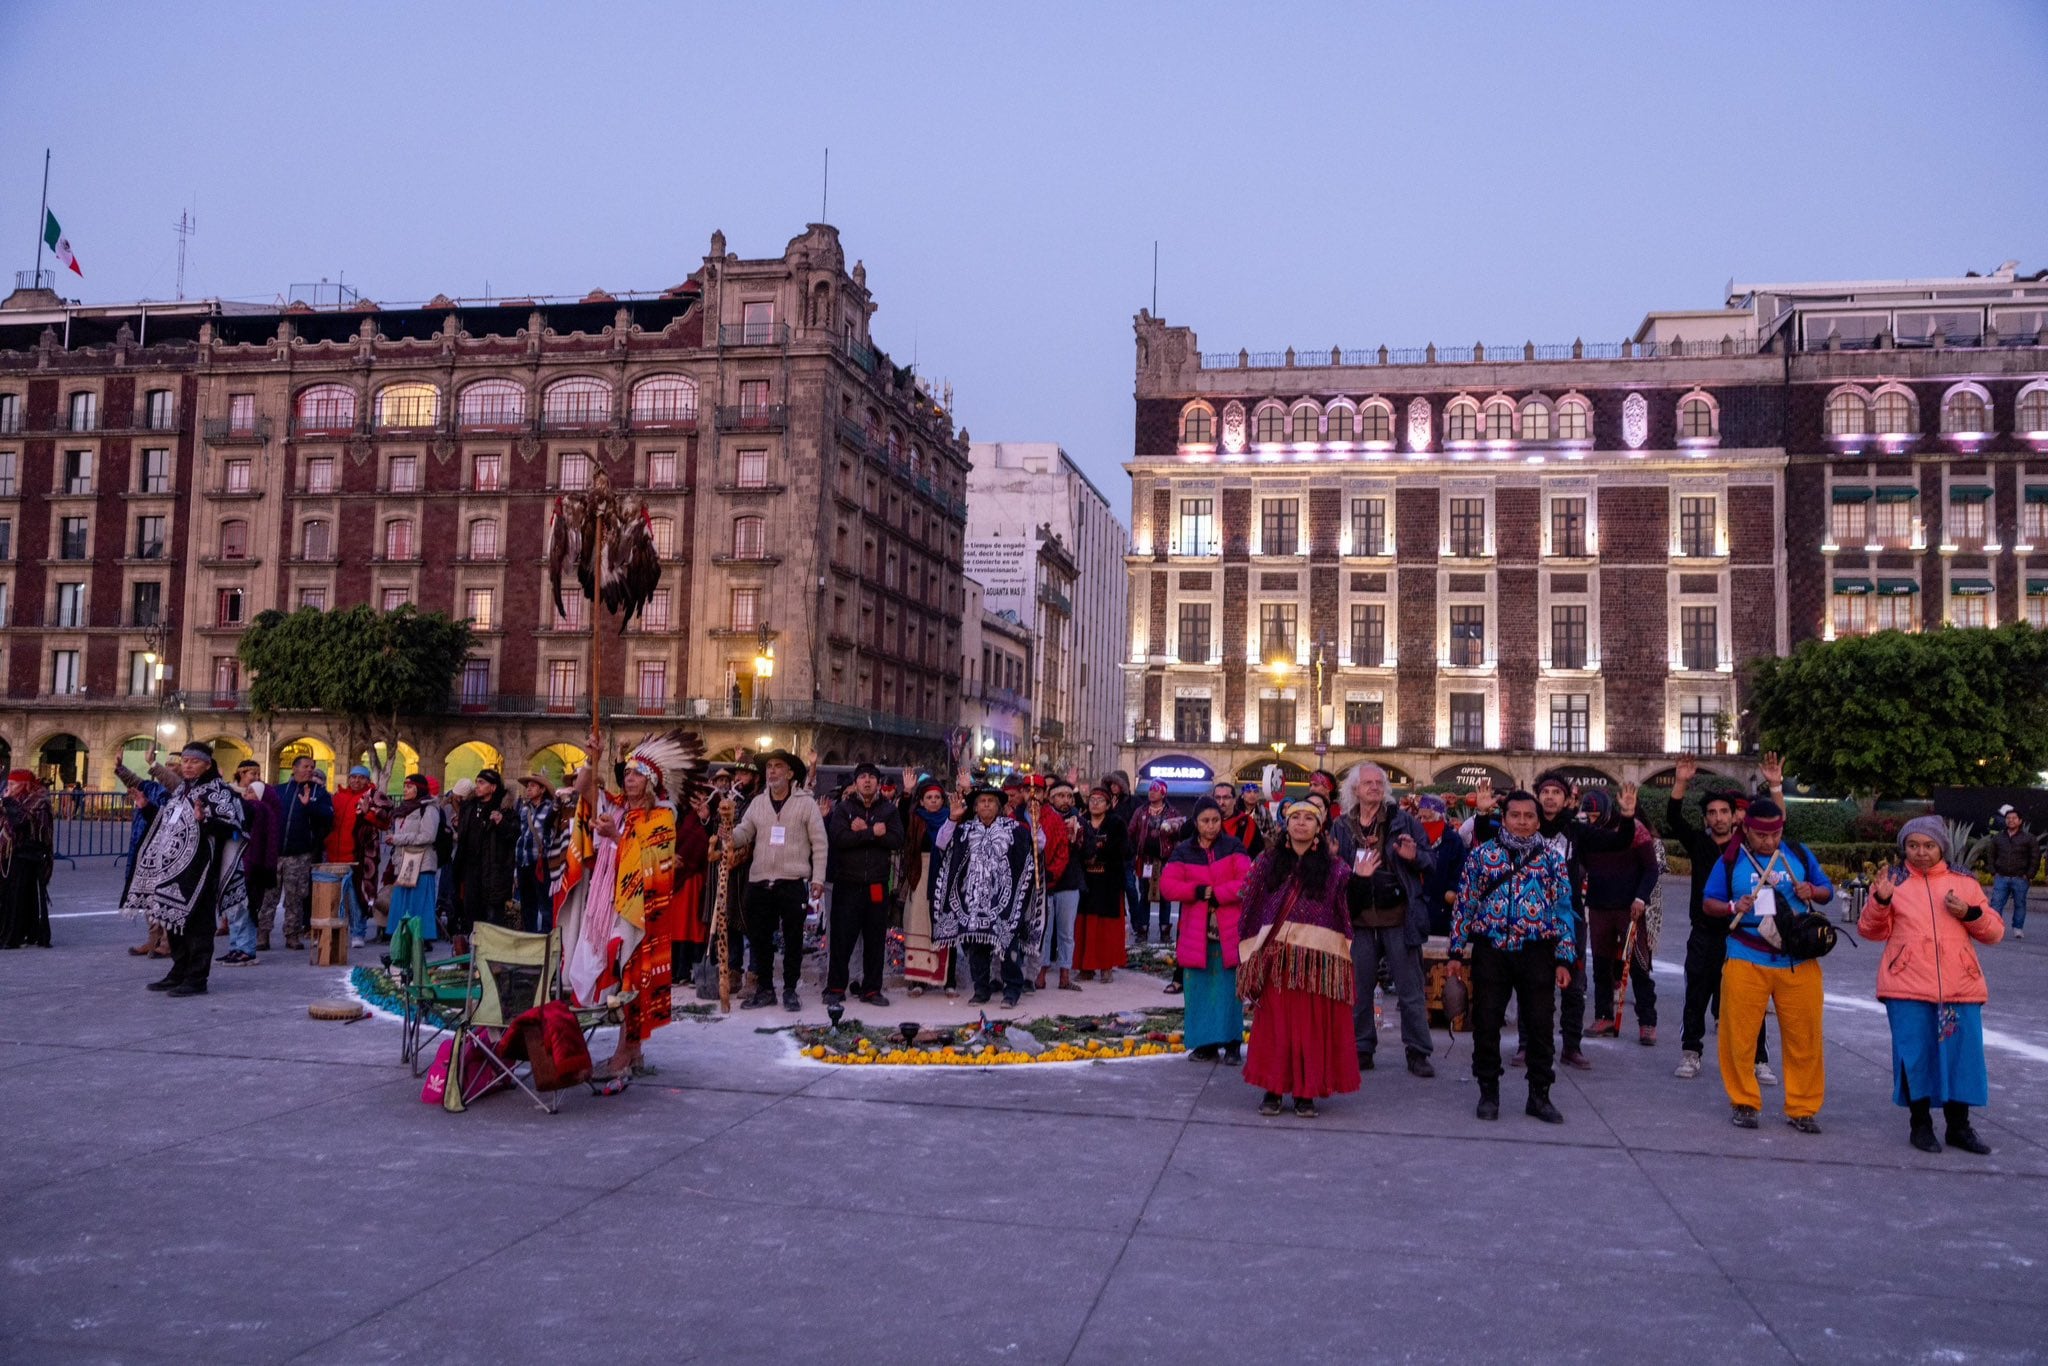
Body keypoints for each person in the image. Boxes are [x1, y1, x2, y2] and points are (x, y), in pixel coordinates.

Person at [555, 730, 702, 1081]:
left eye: (637, 774)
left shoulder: (662, 816)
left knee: (631, 976)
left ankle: (626, 1049)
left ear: (650, 782)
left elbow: (658, 862)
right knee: (615, 974)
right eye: (628, 773)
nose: (629, 778)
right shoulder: (615, 805)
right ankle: (632, 1050)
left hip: (640, 909)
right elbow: (584, 789)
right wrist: (592, 756)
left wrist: (615, 838)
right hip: (606, 904)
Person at [1862, 815, 2004, 1154]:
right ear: (1904, 848)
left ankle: (1959, 1127)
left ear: (1942, 846)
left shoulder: (1964, 882)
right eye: (1913, 846)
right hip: (1906, 986)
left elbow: (1995, 932)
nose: (1921, 852)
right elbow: (1871, 931)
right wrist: (1880, 901)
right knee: (1915, 1056)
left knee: (1961, 1057)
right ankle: (1920, 1125)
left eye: (1928, 846)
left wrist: (1970, 913)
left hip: (1959, 987)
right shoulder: (1892, 882)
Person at [1702, 797, 1834, 1134]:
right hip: (1747, 956)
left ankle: (1802, 1107)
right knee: (1739, 1037)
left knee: (1805, 1037)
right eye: (1761, 835)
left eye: (1775, 834)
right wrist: (1734, 905)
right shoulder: (1732, 859)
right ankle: (1744, 1102)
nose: (1769, 842)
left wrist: (1811, 890)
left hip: (1798, 959)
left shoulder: (1799, 853)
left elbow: (1827, 891)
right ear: (1746, 829)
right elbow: (1708, 903)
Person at [1449, 790, 1575, 1124]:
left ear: (1538, 820)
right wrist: (1455, 951)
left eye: (1529, 816)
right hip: (1492, 950)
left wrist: (1564, 958)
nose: (1522, 822)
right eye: (1515, 816)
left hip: (1537, 951)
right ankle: (1488, 1091)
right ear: (1503, 818)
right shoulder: (1482, 856)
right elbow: (1465, 903)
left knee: (1540, 1025)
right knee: (1487, 1022)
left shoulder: (1552, 858)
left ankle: (1539, 1095)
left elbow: (1564, 909)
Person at [1236, 798, 1358, 1117]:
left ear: (1319, 829)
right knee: (1276, 1024)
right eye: (1295, 817)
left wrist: (1363, 878)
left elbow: (1346, 906)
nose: (1301, 822)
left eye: (1309, 818)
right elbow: (1248, 898)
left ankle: (1306, 1093)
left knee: (1310, 1026)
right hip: (1277, 957)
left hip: (1316, 960)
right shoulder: (1267, 862)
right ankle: (1273, 1089)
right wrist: (1253, 945)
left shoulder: (1336, 869)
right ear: (1285, 825)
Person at [1660, 757, 1772, 1085]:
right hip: (1705, 932)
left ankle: (1758, 1059)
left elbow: (1778, 827)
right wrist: (1680, 782)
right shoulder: (1699, 843)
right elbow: (1672, 818)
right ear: (1706, 818)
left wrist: (1775, 787)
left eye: (1724, 812)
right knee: (1697, 992)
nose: (1718, 817)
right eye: (1712, 813)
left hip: (1743, 935)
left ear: (1734, 816)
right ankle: (1691, 1052)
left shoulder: (1747, 847)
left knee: (1749, 998)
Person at [1330, 763, 1437, 1078]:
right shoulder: (1340, 825)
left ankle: (1418, 1052)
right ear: (1355, 790)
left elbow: (1430, 862)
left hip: (1398, 917)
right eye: (1368, 783)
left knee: (1410, 989)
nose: (1374, 787)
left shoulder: (1403, 821)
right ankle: (1361, 1047)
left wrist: (1413, 857)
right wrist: (1339, 863)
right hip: (1359, 918)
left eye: (1379, 783)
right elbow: (1331, 872)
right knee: (1359, 989)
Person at [121, 743, 246, 995]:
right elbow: (167, 823)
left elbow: (232, 827)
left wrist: (205, 821)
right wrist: (146, 807)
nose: (188, 765)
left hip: (200, 870)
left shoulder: (219, 791)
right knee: (172, 919)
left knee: (198, 925)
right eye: (185, 760)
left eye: (194, 761)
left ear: (208, 765)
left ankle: (197, 978)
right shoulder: (182, 791)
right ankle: (178, 971)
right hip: (172, 870)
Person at [728, 750, 827, 1012]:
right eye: (769, 766)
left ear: (790, 773)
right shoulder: (758, 803)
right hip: (759, 880)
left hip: (792, 880)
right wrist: (727, 832)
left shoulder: (806, 803)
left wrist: (817, 878)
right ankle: (765, 989)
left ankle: (791, 989)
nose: (771, 771)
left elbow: (820, 843)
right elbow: (744, 832)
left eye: (778, 766)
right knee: (760, 939)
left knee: (793, 939)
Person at [1159, 799, 1251, 1063]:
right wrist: (1198, 891)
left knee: (1229, 990)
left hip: (1228, 930)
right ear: (1196, 823)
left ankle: (1232, 1043)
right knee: (1198, 989)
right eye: (1205, 821)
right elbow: (1168, 885)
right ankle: (1206, 1044)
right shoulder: (1183, 851)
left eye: (1215, 821)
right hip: (1196, 931)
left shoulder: (1233, 846)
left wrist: (1218, 894)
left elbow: (1247, 881)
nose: (1211, 826)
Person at [932, 784, 1037, 1007]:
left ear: (999, 807)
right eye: (982, 801)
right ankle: (981, 990)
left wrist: (1034, 823)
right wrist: (952, 818)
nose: (986, 804)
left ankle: (1012, 990)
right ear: (976, 807)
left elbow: (1036, 849)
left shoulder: (1014, 830)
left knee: (1008, 944)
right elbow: (941, 843)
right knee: (976, 946)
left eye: (991, 801)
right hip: (973, 898)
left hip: (1004, 899)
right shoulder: (965, 830)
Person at [1577, 786, 1661, 1045]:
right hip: (1600, 905)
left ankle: (1647, 1022)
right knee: (1601, 965)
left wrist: (1640, 898)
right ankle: (1604, 1016)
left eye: (1594, 817)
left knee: (1638, 966)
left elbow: (1651, 869)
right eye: (1587, 817)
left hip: (1629, 908)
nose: (1591, 822)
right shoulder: (1587, 833)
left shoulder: (1634, 829)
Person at [824, 762, 905, 1007]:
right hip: (847, 882)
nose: (867, 781)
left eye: (872, 777)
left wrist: (862, 831)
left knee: (875, 939)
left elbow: (897, 839)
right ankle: (836, 987)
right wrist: (873, 832)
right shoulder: (844, 808)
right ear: (856, 782)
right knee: (841, 938)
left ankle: (871, 989)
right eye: (862, 777)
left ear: (878, 783)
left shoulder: (889, 810)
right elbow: (839, 838)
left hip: (877, 884)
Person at [263, 756, 332, 952]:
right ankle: (263, 933)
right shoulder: (279, 791)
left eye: (312, 767)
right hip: (275, 853)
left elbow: (328, 818)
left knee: (295, 897)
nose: (309, 770)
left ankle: (292, 934)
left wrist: (309, 806)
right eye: (305, 766)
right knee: (269, 896)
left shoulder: (320, 793)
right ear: (294, 768)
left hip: (299, 854)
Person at [447, 768, 517, 954]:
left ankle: (493, 956)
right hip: (471, 869)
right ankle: (474, 955)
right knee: (472, 911)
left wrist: (501, 823)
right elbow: (464, 839)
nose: (477, 786)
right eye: (477, 782)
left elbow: (513, 835)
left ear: (493, 787)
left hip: (495, 870)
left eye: (481, 783)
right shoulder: (470, 807)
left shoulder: (504, 808)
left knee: (493, 913)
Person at [116, 751, 175, 957]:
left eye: (173, 766)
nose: (169, 769)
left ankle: (168, 942)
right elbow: (136, 782)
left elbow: (173, 780)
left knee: (166, 898)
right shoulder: (153, 788)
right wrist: (120, 768)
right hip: (147, 851)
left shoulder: (184, 792)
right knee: (149, 897)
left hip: (170, 853)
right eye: (168, 765)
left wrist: (153, 763)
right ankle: (153, 939)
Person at [217, 760, 276, 966]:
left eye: (251, 792)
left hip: (249, 864)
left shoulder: (257, 809)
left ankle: (245, 948)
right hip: (244, 863)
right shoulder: (255, 808)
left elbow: (255, 841)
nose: (247, 794)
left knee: (244, 908)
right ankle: (236, 947)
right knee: (236, 907)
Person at [898, 774, 952, 996]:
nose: (933, 800)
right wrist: (906, 793)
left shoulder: (951, 818)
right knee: (918, 923)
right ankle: (918, 980)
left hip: (944, 875)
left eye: (937, 797)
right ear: (921, 801)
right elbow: (901, 818)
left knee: (945, 925)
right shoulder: (915, 818)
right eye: (928, 797)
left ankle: (947, 981)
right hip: (919, 875)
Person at [1073, 786, 1129, 981]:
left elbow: (1121, 849)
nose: (1095, 803)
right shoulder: (1081, 821)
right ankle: (1085, 967)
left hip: (1109, 882)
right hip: (1086, 882)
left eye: (1100, 800)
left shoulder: (1116, 824)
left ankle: (1106, 966)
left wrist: (1096, 853)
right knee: (1084, 925)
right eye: (1092, 799)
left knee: (1107, 927)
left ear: (1108, 804)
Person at [383, 773, 444, 945]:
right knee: (403, 901)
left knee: (419, 902)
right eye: (405, 786)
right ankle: (403, 937)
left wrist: (398, 839)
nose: (405, 790)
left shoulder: (429, 809)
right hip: (404, 863)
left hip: (422, 863)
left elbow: (428, 836)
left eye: (409, 787)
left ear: (419, 789)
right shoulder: (404, 808)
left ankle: (421, 939)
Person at [0, 769, 55, 950]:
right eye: (8, 785)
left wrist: (7, 802)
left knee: (19, 896)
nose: (9, 788)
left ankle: (15, 935)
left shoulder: (39, 802)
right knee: (9, 895)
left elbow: (21, 821)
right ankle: (16, 930)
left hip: (28, 854)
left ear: (24, 785)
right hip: (11, 854)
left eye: (13, 785)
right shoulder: (13, 801)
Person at [1036, 779, 1082, 991]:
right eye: (1061, 796)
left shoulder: (1078, 820)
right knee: (1044, 931)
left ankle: (1065, 974)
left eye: (1069, 797)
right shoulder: (1043, 817)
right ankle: (1041, 973)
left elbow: (1088, 851)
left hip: (1069, 883)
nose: (1065, 800)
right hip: (1047, 880)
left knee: (1066, 933)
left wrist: (1079, 837)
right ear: (1051, 798)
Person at [1126, 779, 1184, 946]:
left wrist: (1173, 829)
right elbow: (1131, 832)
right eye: (1150, 789)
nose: (1152, 792)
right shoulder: (1141, 811)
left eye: (1156, 789)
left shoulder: (1172, 813)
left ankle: (1165, 931)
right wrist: (1132, 851)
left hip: (1165, 861)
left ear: (1163, 793)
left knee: (1165, 894)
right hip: (1146, 860)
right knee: (1144, 895)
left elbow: (1180, 835)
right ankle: (1142, 930)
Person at [1972, 804, 2038, 940]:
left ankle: (2017, 929)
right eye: (2008, 818)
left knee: (2020, 904)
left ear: (2020, 821)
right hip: (2001, 877)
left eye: (2014, 818)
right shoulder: (1998, 838)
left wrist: (2029, 875)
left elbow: (2035, 857)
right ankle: (1995, 929)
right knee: (1996, 904)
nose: (2011, 820)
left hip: (2020, 878)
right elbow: (1990, 855)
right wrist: (1993, 871)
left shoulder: (2029, 838)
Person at [1415, 794, 1466, 938]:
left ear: (1439, 818)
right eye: (1421, 818)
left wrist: (1451, 890)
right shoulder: (1414, 838)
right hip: (1415, 908)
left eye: (1427, 818)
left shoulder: (1453, 841)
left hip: (1441, 910)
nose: (1423, 822)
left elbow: (1459, 871)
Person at [512, 774, 555, 934]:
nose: (528, 789)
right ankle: (529, 935)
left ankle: (546, 936)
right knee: (527, 903)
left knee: (545, 902)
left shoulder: (551, 808)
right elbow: (522, 834)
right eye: (527, 786)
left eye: (533, 786)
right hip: (524, 860)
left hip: (541, 861)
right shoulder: (524, 809)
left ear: (542, 789)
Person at [1214, 781, 1265, 859]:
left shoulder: (1248, 823)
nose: (1221, 802)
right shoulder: (1201, 822)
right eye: (1217, 798)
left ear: (1234, 800)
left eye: (1226, 797)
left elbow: (1258, 855)